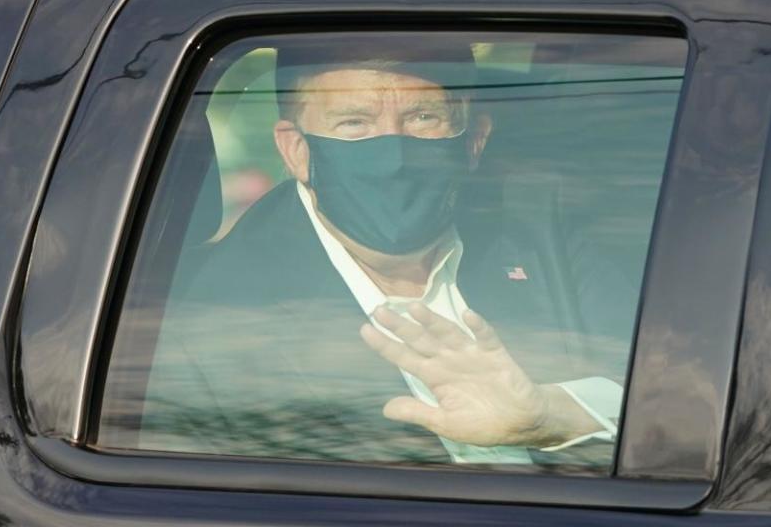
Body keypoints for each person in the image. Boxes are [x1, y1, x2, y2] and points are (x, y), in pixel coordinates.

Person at [139, 38, 625, 465]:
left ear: (474, 140)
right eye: (354, 123)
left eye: (422, 117)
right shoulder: (209, 318)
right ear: (296, 151)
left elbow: (675, 395)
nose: (393, 155)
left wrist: (551, 416)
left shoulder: (539, 232)